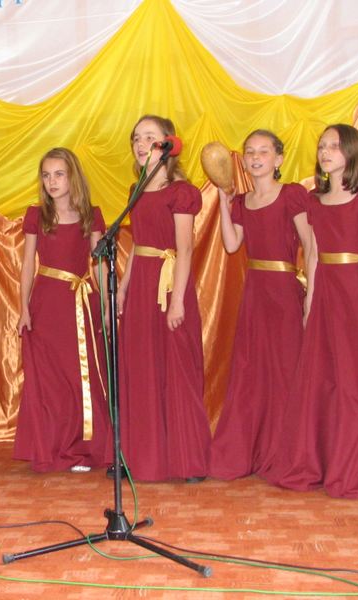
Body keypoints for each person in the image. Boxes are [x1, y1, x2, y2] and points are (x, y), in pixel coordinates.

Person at [261, 124, 358, 498]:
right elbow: (315, 254)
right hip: (327, 296)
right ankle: (327, 459)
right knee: (326, 381)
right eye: (322, 146)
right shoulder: (314, 199)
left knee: (356, 382)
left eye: (334, 146)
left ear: (352, 151)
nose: (325, 152)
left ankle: (356, 464)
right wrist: (310, 301)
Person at [114, 114, 211, 482]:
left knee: (176, 368)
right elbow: (138, 245)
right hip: (141, 285)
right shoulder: (135, 190)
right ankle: (146, 458)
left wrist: (178, 301)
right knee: (144, 368)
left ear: (168, 144)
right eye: (136, 138)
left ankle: (187, 460)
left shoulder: (181, 192)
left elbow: (184, 249)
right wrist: (124, 287)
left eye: (150, 137)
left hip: (169, 285)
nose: (141, 144)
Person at [209, 131, 310, 480]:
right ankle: (250, 450)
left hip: (284, 291)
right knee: (252, 372)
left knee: (285, 370)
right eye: (250, 152)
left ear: (278, 159)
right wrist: (223, 201)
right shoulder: (242, 202)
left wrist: (312, 295)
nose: (255, 157)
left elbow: (311, 246)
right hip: (255, 293)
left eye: (263, 152)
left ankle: (287, 452)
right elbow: (231, 244)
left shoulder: (293, 194)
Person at [13, 147, 111, 473]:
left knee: (79, 377)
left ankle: (81, 448)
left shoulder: (90, 216)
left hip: (80, 303)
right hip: (47, 303)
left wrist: (106, 304)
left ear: (73, 178)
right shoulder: (36, 215)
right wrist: (24, 308)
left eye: (59, 174)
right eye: (46, 175)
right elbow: (28, 265)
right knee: (50, 379)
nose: (52, 181)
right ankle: (53, 446)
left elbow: (99, 264)